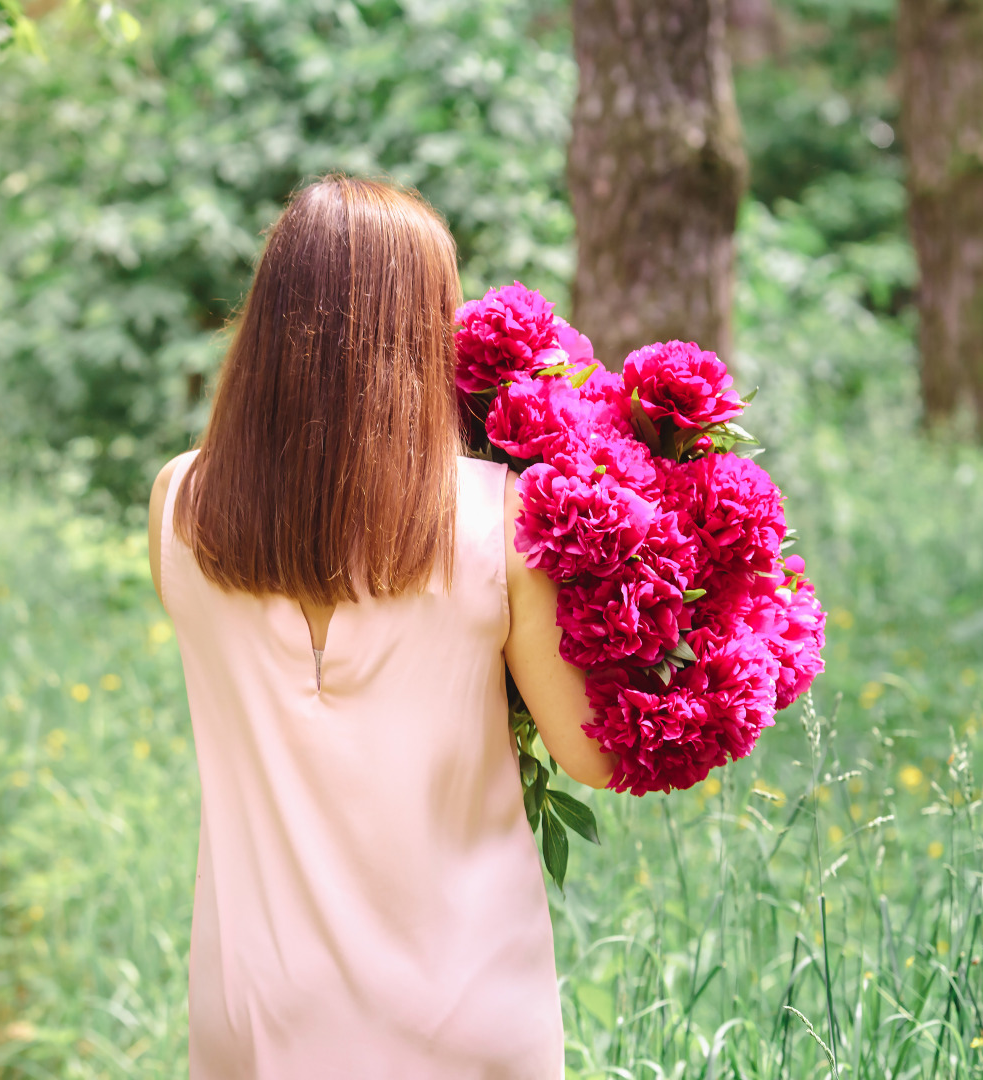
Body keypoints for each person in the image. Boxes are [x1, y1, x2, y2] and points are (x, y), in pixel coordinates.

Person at [147, 175, 617, 1079]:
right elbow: (594, 754)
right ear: (419, 333)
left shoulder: (177, 504)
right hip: (461, 995)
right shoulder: (497, 522)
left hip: (256, 1001)